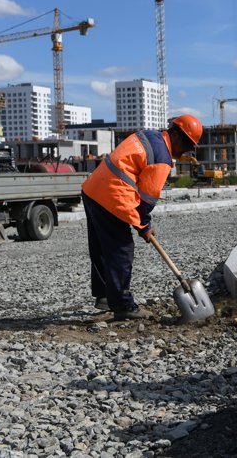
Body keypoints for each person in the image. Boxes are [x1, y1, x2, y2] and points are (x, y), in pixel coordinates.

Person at [81, 115, 203, 320]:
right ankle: (122, 305)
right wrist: (144, 225)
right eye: (187, 145)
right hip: (112, 195)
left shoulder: (150, 135)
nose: (186, 151)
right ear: (175, 134)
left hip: (93, 189)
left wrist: (142, 224)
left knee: (102, 248)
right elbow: (146, 199)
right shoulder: (162, 158)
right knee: (122, 250)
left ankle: (104, 296)